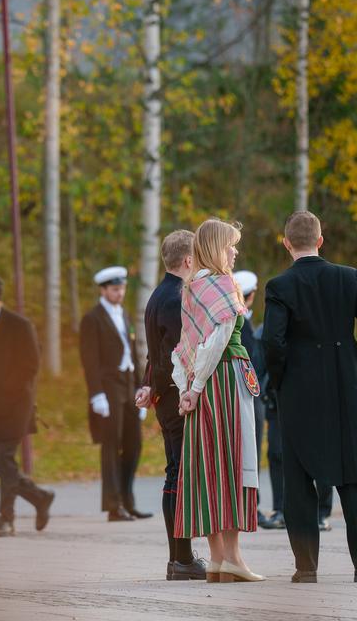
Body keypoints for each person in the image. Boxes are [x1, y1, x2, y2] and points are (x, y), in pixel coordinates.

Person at [263, 210, 357, 583]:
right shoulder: (350, 277)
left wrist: (281, 380)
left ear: (286, 244)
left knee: (298, 480)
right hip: (345, 387)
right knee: (352, 474)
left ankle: (306, 567)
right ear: (320, 240)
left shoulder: (279, 286)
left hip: (299, 392)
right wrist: (354, 365)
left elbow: (273, 342)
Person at [173, 218, 264, 582]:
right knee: (233, 462)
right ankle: (234, 559)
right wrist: (194, 389)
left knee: (208, 467)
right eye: (230, 245)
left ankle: (216, 559)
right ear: (216, 248)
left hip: (201, 383)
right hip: (224, 380)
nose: (235, 251)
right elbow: (218, 340)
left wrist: (186, 388)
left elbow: (183, 348)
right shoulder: (224, 285)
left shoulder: (191, 287)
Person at [135, 230, 207, 580]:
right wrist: (158, 387)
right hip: (176, 397)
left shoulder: (158, 294)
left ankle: (179, 558)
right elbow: (171, 355)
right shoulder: (177, 296)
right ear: (189, 260)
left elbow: (155, 353)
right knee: (179, 473)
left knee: (175, 472)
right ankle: (181, 558)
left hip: (165, 394)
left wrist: (149, 385)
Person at [0, 274, 55, 538]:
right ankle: (40, 497)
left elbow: (31, 365)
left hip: (16, 405)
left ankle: (6, 519)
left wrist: (7, 393)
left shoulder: (19, 325)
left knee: (5, 460)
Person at [80, 266, 148, 521]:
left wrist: (141, 386)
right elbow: (90, 360)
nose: (119, 293)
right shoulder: (92, 318)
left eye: (122, 288)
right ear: (103, 290)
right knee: (111, 446)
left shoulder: (124, 314)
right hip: (108, 388)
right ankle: (113, 505)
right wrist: (96, 394)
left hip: (129, 385)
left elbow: (133, 353)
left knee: (134, 444)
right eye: (114, 289)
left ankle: (127, 501)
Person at [234, 270, 283, 531]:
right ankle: (251, 507)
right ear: (252, 295)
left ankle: (249, 506)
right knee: (249, 453)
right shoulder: (243, 323)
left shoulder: (241, 321)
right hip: (249, 396)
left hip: (245, 394)